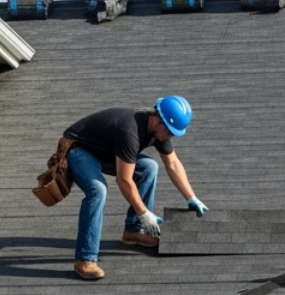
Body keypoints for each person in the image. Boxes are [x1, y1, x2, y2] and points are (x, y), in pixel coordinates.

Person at [59, 96, 206, 281]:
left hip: (106, 150)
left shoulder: (158, 131)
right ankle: (85, 259)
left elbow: (173, 164)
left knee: (149, 167)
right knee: (97, 190)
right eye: (170, 132)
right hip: (79, 149)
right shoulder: (130, 132)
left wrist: (191, 198)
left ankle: (134, 231)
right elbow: (124, 181)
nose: (171, 136)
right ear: (158, 120)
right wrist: (144, 213)